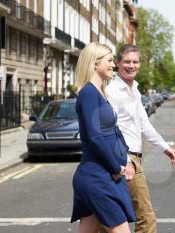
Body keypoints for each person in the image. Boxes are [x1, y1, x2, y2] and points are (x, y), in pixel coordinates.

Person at [104, 44, 175, 233]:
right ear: (118, 63)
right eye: (127, 61)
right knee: (146, 218)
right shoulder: (113, 91)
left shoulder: (135, 90)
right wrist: (124, 160)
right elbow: (108, 129)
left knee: (108, 220)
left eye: (135, 62)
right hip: (125, 159)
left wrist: (165, 147)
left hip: (133, 158)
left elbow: (144, 124)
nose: (132, 65)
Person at [70, 42, 135, 233]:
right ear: (95, 63)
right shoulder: (89, 93)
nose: (114, 64)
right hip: (98, 176)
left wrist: (127, 159)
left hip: (101, 174)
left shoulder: (99, 93)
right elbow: (95, 137)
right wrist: (115, 168)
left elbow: (113, 131)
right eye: (109, 60)